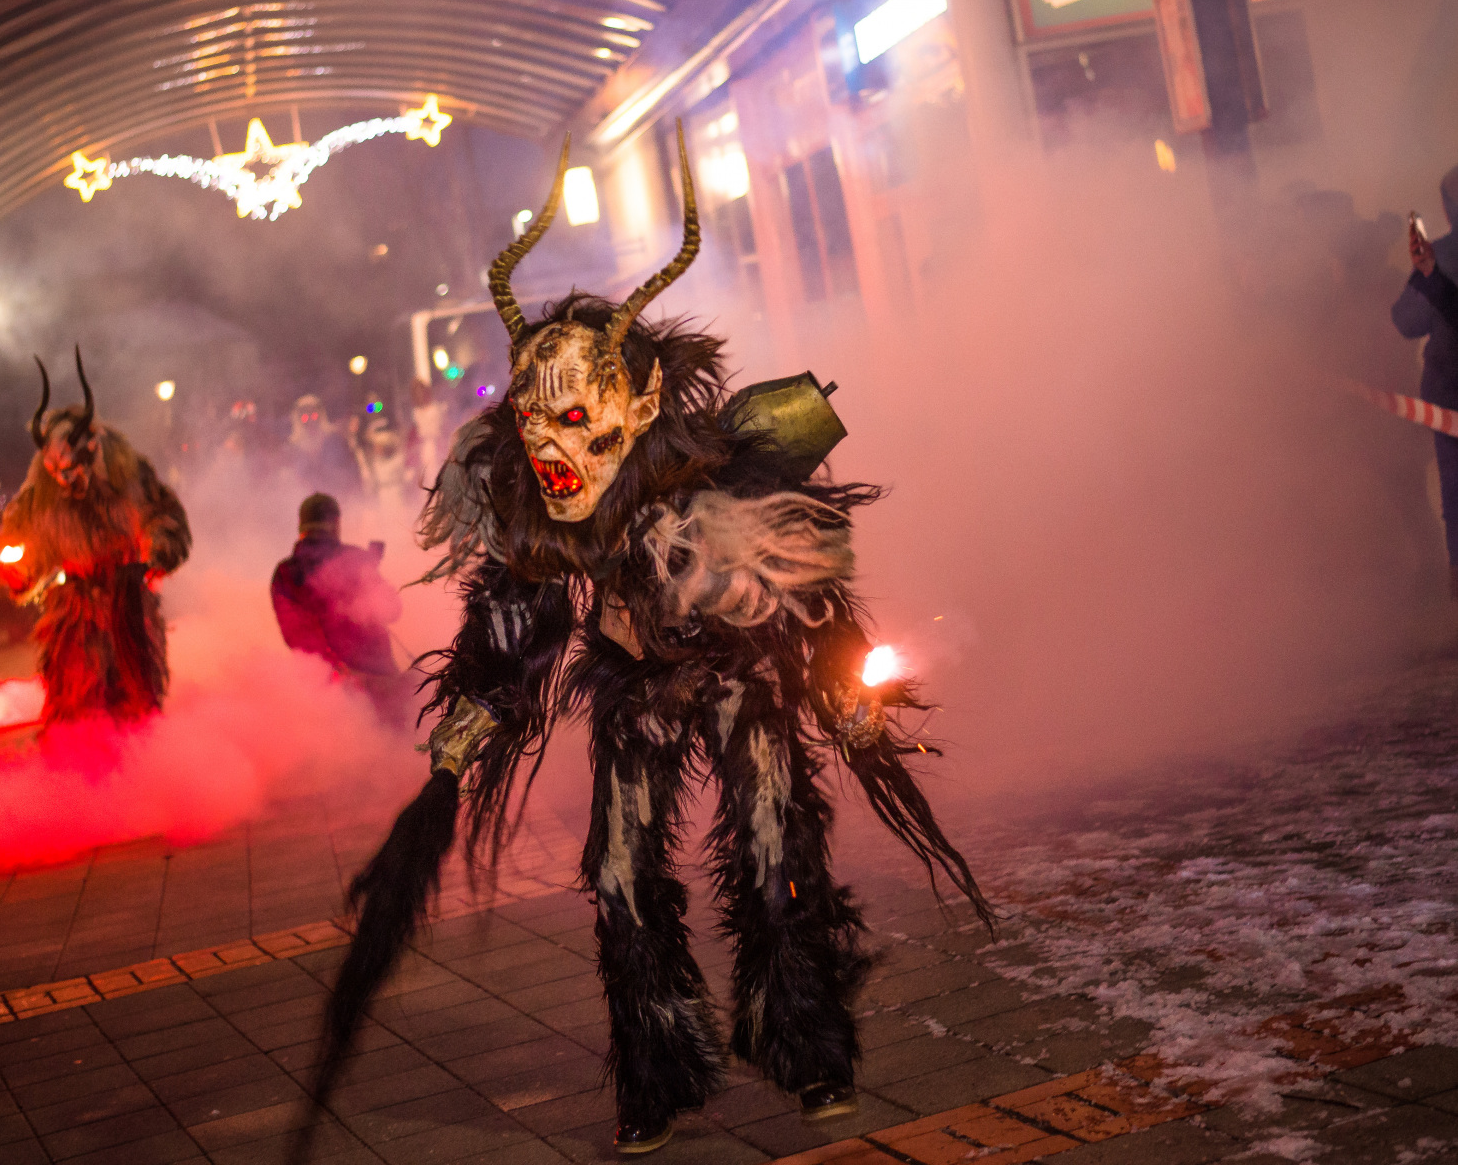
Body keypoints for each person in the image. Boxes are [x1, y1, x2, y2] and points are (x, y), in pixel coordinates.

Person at [299, 131, 989, 1158]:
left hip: (738, 678)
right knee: (620, 878)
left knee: (775, 857)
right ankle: (655, 1073)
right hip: (633, 685)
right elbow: (515, 613)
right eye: (534, 424)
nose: (554, 451)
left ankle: (810, 1049)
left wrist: (843, 688)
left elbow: (806, 596)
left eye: (577, 421)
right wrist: (476, 710)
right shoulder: (544, 503)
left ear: (641, 403)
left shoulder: (714, 481)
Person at [0, 350, 191, 726]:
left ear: (91, 451)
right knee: (76, 700)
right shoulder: (41, 493)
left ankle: (143, 751)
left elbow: (165, 516)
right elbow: (27, 546)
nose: (65, 483)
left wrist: (156, 551)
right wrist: (18, 570)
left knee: (135, 694)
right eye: (55, 473)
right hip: (75, 609)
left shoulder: (128, 472)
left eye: (70, 471)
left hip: (127, 599)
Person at [270, 493, 405, 721]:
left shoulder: (284, 573)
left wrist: (337, 670)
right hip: (381, 684)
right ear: (336, 523)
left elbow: (295, 636)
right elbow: (393, 610)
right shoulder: (356, 559)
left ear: (301, 525)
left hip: (326, 695)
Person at [1392, 166, 1458, 595]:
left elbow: (1406, 320)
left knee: (1456, 489)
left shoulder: (1442, 256)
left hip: (1450, 392)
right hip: (1449, 392)